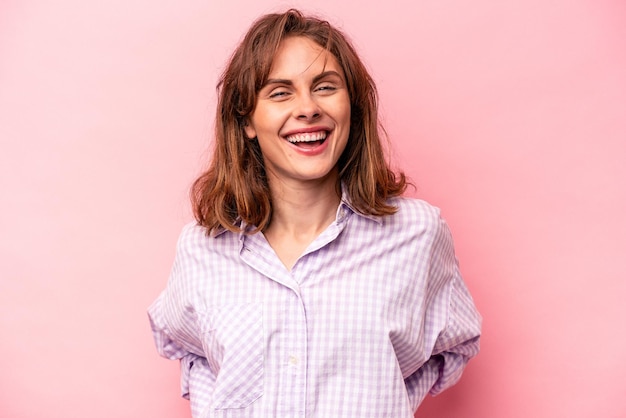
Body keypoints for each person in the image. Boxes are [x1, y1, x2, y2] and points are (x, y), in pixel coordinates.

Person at [148, 9, 481, 418]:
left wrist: (384, 397)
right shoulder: (202, 249)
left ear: (352, 107)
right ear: (247, 119)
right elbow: (191, 352)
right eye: (280, 92)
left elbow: (450, 345)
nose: (307, 108)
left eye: (325, 87)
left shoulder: (418, 234)